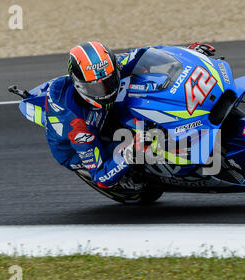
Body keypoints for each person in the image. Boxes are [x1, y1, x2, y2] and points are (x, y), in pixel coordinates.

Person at [44, 41, 216, 189]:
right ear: (80, 86)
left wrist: (187, 54)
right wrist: (131, 152)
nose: (105, 92)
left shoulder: (112, 66)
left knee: (141, 86)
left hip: (106, 112)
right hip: (75, 147)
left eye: (109, 82)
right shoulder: (78, 127)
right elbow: (99, 177)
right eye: (97, 88)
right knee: (136, 150)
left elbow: (148, 53)